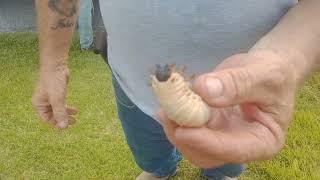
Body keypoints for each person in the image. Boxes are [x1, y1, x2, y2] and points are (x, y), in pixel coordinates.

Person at [32, 0, 320, 179]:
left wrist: (286, 59)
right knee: (146, 145)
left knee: (226, 158)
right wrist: (53, 63)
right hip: (131, 83)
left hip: (241, 105)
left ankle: (221, 174)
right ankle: (159, 169)